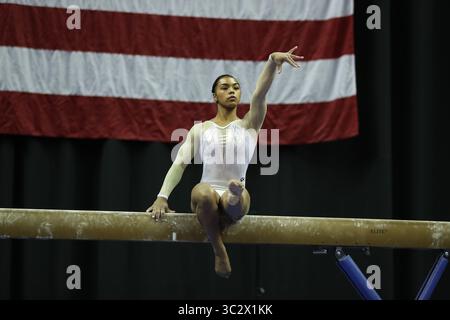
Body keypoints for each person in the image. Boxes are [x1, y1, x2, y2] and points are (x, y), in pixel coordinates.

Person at [146, 47, 303, 278]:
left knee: (234, 197)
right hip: (205, 197)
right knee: (204, 192)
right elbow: (180, 163)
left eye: (236, 87)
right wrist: (162, 197)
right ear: (214, 96)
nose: (232, 91)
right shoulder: (200, 129)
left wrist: (271, 61)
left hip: (236, 198)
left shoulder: (249, 124)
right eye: (225, 87)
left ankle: (233, 195)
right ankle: (220, 251)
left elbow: (259, 94)